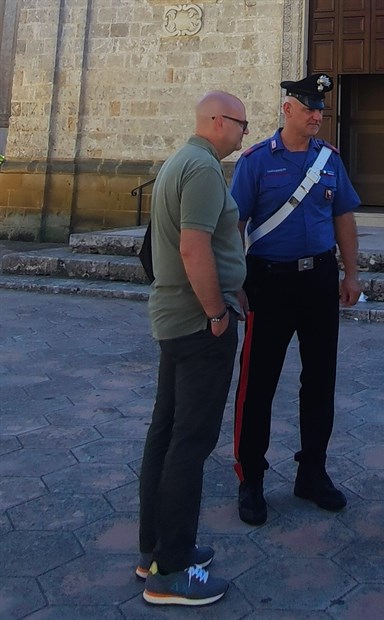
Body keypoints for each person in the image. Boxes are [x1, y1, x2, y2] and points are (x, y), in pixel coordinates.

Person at [231, 73, 361, 526]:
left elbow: (343, 215)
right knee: (258, 382)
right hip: (269, 281)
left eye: (321, 109)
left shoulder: (330, 161)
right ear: (287, 109)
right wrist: (236, 281)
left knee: (320, 378)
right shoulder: (255, 162)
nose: (317, 116)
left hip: (319, 281)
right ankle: (251, 478)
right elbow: (235, 225)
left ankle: (312, 472)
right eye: (309, 108)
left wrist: (352, 272)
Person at [138, 91, 249, 606]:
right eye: (243, 124)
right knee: (191, 441)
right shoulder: (203, 169)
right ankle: (173, 570)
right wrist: (217, 314)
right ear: (218, 121)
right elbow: (193, 245)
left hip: (172, 318)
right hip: (196, 324)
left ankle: (154, 550)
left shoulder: (178, 162)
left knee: (165, 435)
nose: (246, 134)